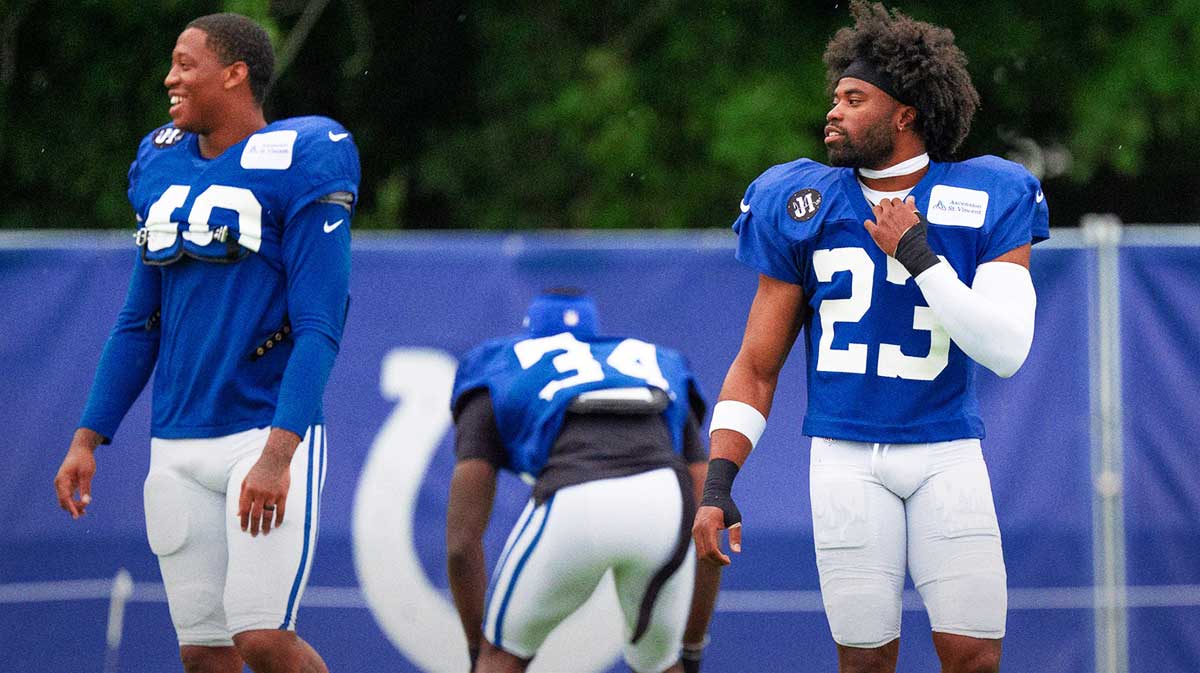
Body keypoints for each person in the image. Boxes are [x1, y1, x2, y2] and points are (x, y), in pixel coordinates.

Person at [691, 2, 1049, 672]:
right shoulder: (801, 201)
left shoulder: (988, 192)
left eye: (854, 99)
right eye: (836, 97)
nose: (834, 112)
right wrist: (717, 483)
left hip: (947, 451)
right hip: (845, 457)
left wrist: (918, 255)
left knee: (975, 657)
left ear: (905, 113)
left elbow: (1005, 349)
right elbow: (757, 366)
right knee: (863, 662)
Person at [52, 13, 358, 673]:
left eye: (186, 64)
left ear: (235, 73)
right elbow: (140, 320)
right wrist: (87, 438)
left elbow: (319, 325)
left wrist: (278, 455)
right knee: (203, 654)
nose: (170, 78)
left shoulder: (301, 158)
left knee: (262, 637)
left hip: (262, 431)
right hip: (178, 435)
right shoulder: (162, 163)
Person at [446, 290, 721, 673]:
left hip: (575, 499)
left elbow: (462, 543)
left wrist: (480, 652)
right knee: (660, 664)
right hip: (665, 501)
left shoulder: (498, 365)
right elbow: (709, 518)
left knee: (502, 656)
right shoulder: (655, 362)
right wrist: (690, 649)